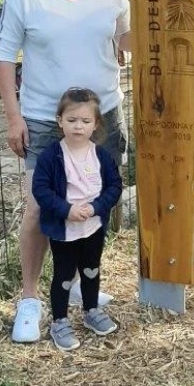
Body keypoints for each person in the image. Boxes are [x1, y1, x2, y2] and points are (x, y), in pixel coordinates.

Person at [0, 0, 130, 344]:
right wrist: (14, 117)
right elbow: (3, 57)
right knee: (39, 208)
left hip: (103, 115)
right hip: (45, 118)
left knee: (95, 200)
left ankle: (75, 284)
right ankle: (31, 299)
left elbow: (127, 39)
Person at [30, 88, 122, 351]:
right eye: (71, 120)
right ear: (60, 121)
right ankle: (59, 320)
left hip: (93, 226)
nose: (78, 126)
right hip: (64, 229)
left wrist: (96, 208)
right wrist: (66, 209)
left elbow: (114, 186)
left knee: (91, 269)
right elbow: (42, 190)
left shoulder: (101, 155)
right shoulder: (51, 157)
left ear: (95, 124)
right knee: (64, 274)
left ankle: (91, 310)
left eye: (85, 121)